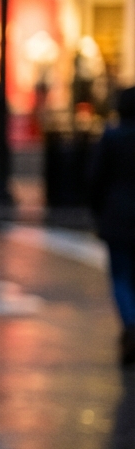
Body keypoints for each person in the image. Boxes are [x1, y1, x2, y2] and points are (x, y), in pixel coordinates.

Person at [90, 87, 135, 367]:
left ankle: (131, 324)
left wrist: (98, 211)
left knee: (120, 276)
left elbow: (95, 179)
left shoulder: (112, 137)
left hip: (117, 217)